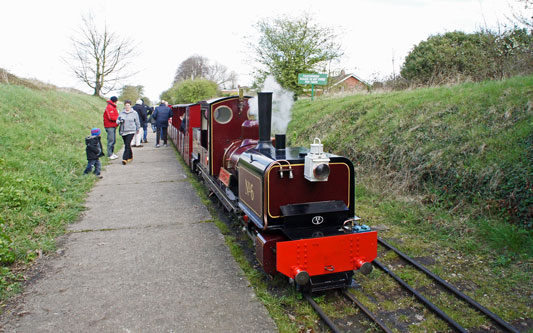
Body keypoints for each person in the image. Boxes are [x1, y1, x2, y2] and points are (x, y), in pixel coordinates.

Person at [117, 100, 140, 165]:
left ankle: (125, 158)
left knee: (127, 144)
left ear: (130, 105)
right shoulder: (122, 113)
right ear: (124, 106)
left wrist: (138, 129)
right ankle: (130, 156)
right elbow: (117, 120)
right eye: (126, 105)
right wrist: (119, 121)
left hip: (131, 130)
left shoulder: (134, 113)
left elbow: (137, 121)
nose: (127, 107)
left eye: (128, 105)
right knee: (127, 144)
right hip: (123, 131)